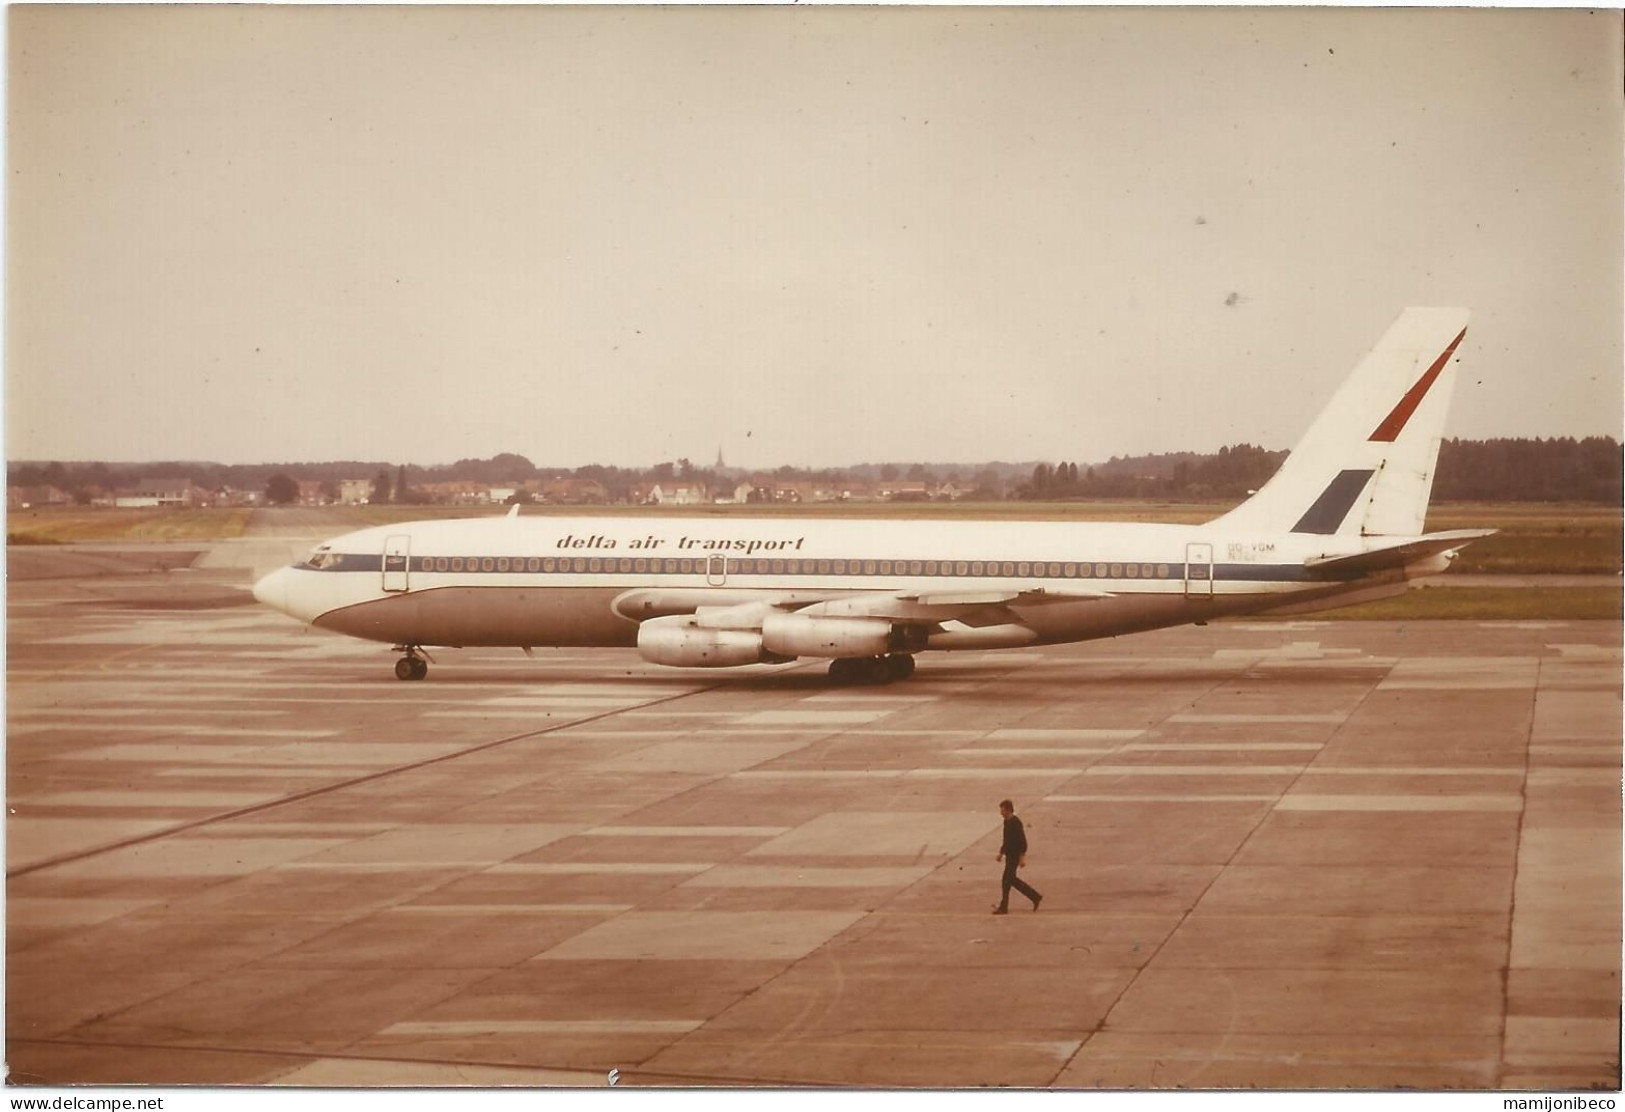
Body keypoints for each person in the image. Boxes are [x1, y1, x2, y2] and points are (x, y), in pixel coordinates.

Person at [993, 798, 1043, 914]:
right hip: (1009, 856)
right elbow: (1006, 841)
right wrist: (1001, 853)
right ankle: (1035, 897)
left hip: (1015, 856)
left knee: (1007, 880)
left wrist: (1022, 857)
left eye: (1003, 810)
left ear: (1009, 810)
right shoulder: (1006, 822)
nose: (1001, 813)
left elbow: (1022, 841)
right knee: (1010, 880)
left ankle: (1004, 907)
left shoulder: (1015, 822)